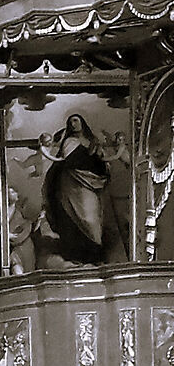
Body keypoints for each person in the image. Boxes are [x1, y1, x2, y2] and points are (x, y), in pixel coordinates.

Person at [40, 113, 125, 265]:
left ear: (82, 122)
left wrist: (98, 155)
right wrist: (91, 154)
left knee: (92, 220)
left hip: (91, 186)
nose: (73, 124)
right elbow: (72, 161)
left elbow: (102, 163)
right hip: (73, 187)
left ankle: (96, 254)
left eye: (76, 120)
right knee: (79, 218)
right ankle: (79, 256)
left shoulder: (92, 141)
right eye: (71, 121)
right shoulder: (69, 142)